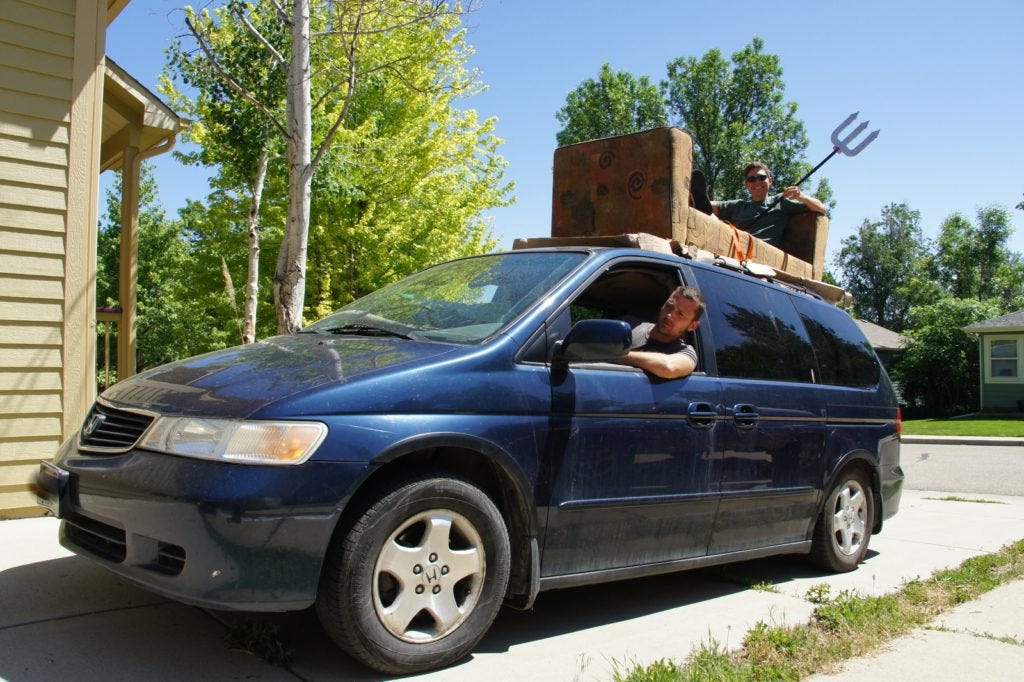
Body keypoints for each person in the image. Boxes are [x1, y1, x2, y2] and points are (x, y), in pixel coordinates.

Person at [695, 163, 827, 246]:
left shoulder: (781, 202)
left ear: (770, 180)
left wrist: (801, 197)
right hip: (731, 244)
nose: (757, 182)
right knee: (710, 217)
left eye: (762, 177)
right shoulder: (739, 205)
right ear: (747, 185)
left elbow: (822, 209)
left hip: (758, 251)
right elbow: (705, 205)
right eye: (751, 179)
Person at [619, 286, 704, 379]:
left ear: (692, 326)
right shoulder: (630, 324)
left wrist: (614, 355)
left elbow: (669, 368)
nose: (669, 315)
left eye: (680, 314)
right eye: (669, 306)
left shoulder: (686, 352)